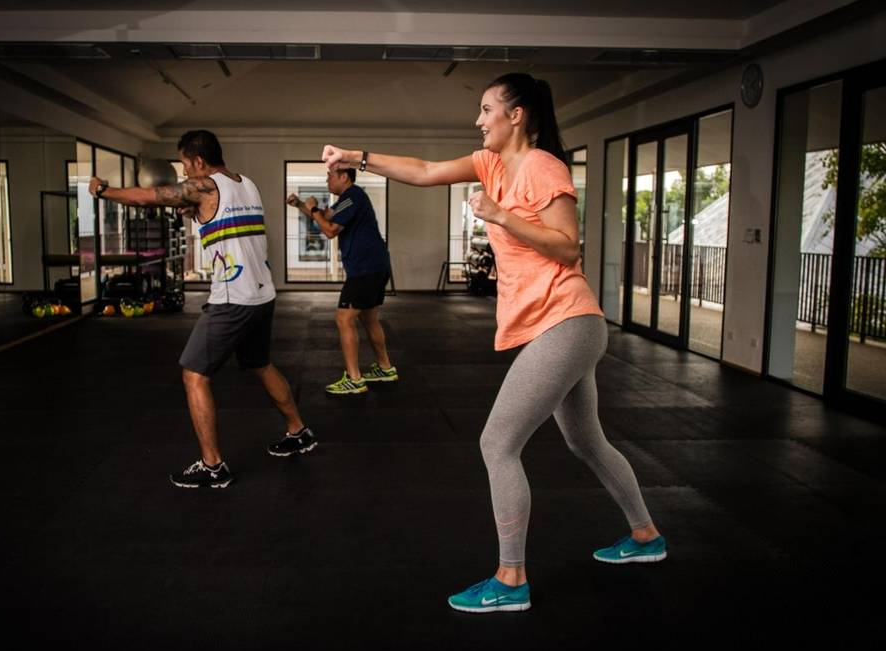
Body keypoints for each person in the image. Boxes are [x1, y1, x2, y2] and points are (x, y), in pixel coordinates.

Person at [322, 73, 666, 613]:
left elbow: (569, 249)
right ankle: (646, 535)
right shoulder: (489, 164)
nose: (479, 119)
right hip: (563, 326)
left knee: (496, 444)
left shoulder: (544, 167)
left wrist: (502, 216)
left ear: (517, 114)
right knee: (586, 442)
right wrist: (357, 156)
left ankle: (510, 581)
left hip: (566, 321)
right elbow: (427, 170)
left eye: (487, 109)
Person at [89, 129, 317, 490]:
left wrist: (104, 191)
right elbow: (225, 223)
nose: (184, 174)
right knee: (260, 363)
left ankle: (213, 467)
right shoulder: (247, 183)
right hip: (262, 294)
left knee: (194, 374)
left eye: (184, 165)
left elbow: (148, 197)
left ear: (198, 160)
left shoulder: (205, 185)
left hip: (232, 299)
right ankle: (299, 431)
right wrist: (192, 211)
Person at [286, 168, 398, 395]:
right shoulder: (348, 200)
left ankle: (355, 379)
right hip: (375, 265)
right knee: (369, 318)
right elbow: (327, 218)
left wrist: (314, 208)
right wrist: (300, 205)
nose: (326, 179)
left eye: (330, 176)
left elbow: (329, 230)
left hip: (365, 269)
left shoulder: (352, 196)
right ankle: (385, 368)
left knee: (344, 318)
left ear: (344, 177)